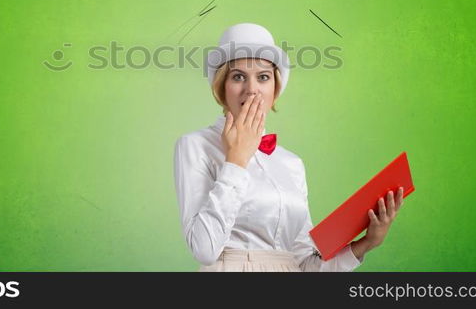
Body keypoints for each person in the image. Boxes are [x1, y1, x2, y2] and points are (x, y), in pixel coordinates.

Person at [173, 23, 404, 272]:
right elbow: (204, 249)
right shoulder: (195, 145)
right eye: (238, 76)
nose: (252, 89)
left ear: (275, 89)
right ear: (222, 87)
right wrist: (236, 160)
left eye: (263, 77)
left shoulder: (291, 163)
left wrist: (366, 243)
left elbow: (305, 263)